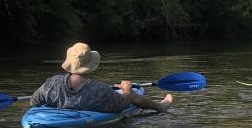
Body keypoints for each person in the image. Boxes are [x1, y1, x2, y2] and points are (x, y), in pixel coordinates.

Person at [29, 42, 173, 113]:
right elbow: (122, 105)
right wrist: (127, 90)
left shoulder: (51, 83)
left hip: (55, 122)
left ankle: (160, 106)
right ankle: (160, 107)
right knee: (133, 95)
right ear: (91, 65)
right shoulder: (100, 90)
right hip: (87, 127)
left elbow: (34, 101)